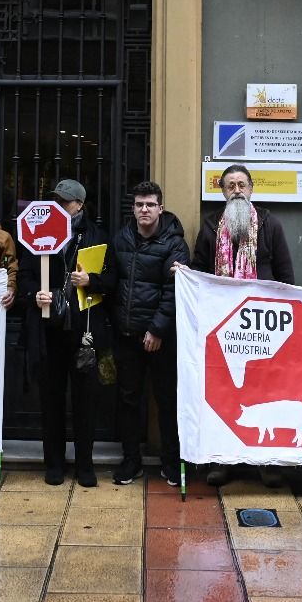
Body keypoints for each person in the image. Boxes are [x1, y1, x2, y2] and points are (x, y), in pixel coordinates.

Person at [190, 164, 295, 487]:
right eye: (230, 185)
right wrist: (184, 276)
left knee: (264, 391)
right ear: (222, 191)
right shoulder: (210, 226)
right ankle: (222, 460)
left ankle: (266, 461)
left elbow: (285, 273)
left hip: (262, 327)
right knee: (223, 391)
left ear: (251, 189)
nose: (236, 190)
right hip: (223, 326)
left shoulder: (269, 224)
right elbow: (198, 271)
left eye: (242, 185)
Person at [20, 178, 110, 488]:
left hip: (83, 332)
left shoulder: (98, 236)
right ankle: (54, 464)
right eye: (55, 200)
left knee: (85, 400)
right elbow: (26, 277)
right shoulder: (37, 236)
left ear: (80, 205)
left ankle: (85, 465)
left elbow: (113, 282)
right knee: (51, 399)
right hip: (49, 331)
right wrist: (35, 295)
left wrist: (92, 281)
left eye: (65, 202)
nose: (58, 206)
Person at [107, 181, 189, 486]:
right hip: (127, 334)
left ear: (160, 208)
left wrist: (157, 329)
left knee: (166, 400)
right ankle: (131, 462)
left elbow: (173, 290)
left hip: (160, 338)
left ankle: (170, 461)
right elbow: (114, 280)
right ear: (133, 208)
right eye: (139, 204)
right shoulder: (122, 239)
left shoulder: (175, 243)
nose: (144, 210)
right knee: (128, 400)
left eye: (150, 205)